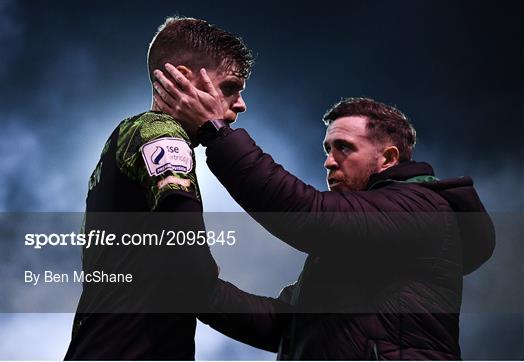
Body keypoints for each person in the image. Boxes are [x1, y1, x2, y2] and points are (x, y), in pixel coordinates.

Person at [152, 69, 496, 360]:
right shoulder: (361, 240)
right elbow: (287, 324)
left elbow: (308, 213)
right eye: (327, 149)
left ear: (388, 158)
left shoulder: (420, 208)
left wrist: (216, 131)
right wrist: (200, 290)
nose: (329, 161)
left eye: (344, 148)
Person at [65, 17, 253, 360]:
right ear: (182, 77)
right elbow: (192, 263)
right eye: (230, 87)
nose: (240, 104)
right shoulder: (160, 131)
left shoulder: (124, 139)